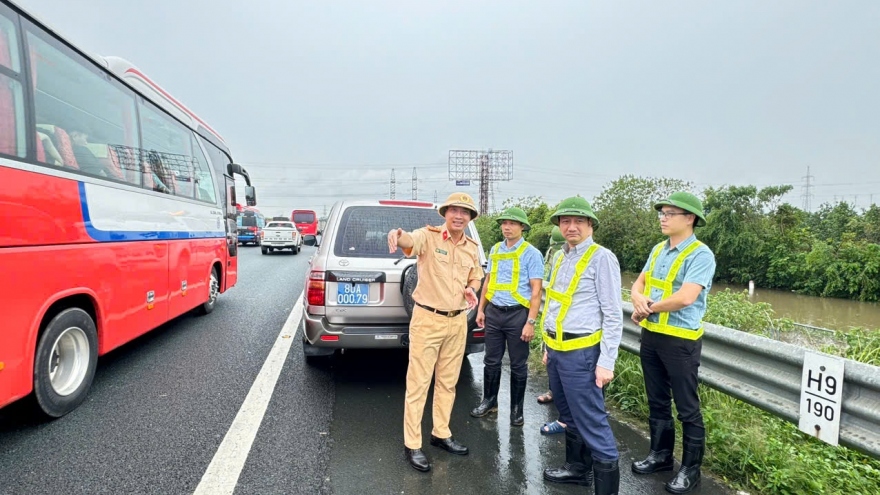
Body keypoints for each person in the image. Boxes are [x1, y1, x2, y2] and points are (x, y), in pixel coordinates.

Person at [387, 192, 484, 473]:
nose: (458, 215)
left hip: (457, 322)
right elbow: (410, 242)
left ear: (470, 218)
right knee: (418, 384)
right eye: (454, 210)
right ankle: (412, 444)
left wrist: (472, 289)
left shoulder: (471, 246)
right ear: (445, 213)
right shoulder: (429, 237)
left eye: (465, 212)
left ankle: (441, 433)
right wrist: (398, 234)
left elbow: (476, 275)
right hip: (427, 319)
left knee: (448, 382)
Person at [630, 192, 716, 495]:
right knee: (656, 399)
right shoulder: (658, 250)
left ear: (689, 218)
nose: (663, 218)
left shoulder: (700, 255)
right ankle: (661, 456)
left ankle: (690, 471)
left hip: (681, 342)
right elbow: (638, 284)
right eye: (662, 213)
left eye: (670, 213)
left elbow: (686, 297)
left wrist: (647, 308)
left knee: (687, 408)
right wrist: (638, 300)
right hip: (652, 336)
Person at [541, 196, 622, 495]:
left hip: (583, 355)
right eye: (565, 221)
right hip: (558, 350)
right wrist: (548, 346)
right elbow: (554, 305)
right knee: (568, 414)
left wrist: (606, 362)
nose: (571, 226)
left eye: (578, 221)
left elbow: (613, 314)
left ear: (590, 225)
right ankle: (577, 469)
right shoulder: (562, 256)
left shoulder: (602, 258)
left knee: (592, 421)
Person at [471, 207, 543, 427]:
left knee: (518, 364)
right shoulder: (495, 249)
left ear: (522, 227)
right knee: (491, 360)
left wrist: (530, 322)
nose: (507, 227)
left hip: (517, 315)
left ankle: (516, 410)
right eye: (504, 223)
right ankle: (489, 401)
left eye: (512, 223)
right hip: (494, 313)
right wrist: (481, 309)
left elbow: (536, 290)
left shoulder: (532, 253)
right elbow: (488, 281)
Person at [537, 225, 566, 407]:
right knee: (552, 358)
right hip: (554, 314)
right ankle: (553, 391)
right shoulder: (557, 256)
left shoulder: (595, 256)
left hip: (574, 319)